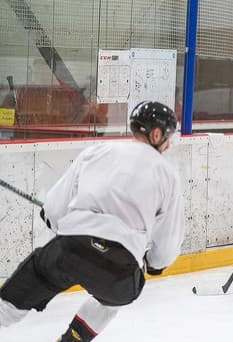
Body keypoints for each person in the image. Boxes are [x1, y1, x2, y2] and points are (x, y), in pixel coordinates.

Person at [0, 101, 185, 342]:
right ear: (156, 133)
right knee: (112, 299)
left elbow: (54, 210)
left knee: (19, 294)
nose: (169, 144)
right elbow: (167, 245)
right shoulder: (167, 174)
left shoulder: (97, 151)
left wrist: (70, 233)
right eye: (168, 137)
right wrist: (154, 264)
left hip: (68, 250)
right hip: (120, 266)